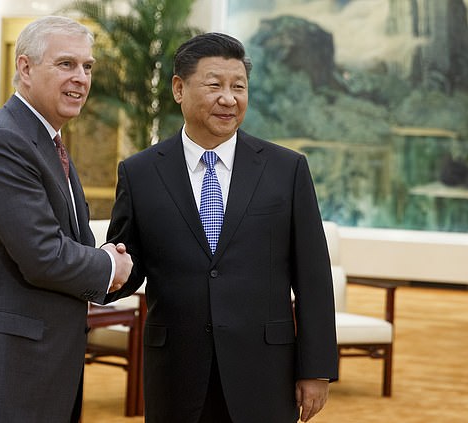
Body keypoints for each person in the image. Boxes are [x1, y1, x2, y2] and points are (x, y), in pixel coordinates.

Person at [105, 32, 338, 423]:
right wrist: (92, 273)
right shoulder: (141, 172)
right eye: (214, 85)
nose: (229, 98)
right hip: (177, 371)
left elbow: (313, 276)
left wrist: (316, 368)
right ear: (179, 88)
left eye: (238, 87)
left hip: (264, 370)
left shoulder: (286, 169)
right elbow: (128, 265)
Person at [0, 16, 132, 423]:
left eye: (88, 67)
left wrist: (103, 258)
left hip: (32, 370)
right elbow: (43, 254)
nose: (81, 78)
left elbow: (68, 242)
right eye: (66, 64)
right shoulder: (2, 142)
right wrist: (109, 265)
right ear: (25, 68)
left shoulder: (48, 142)